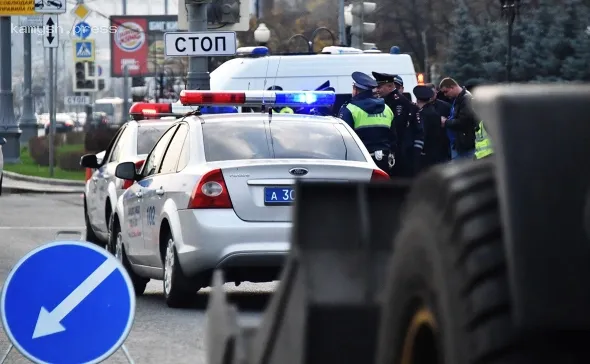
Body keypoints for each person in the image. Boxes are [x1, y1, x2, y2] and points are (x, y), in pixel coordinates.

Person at [338, 71, 395, 173]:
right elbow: (394, 137)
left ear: (356, 90)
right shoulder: (387, 109)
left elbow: (343, 140)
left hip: (360, 162)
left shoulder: (350, 109)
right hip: (384, 162)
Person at [372, 72, 417, 177]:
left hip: (399, 151)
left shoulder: (398, 102)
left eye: (379, 87)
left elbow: (398, 128)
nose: (377, 90)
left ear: (389, 86)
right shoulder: (386, 100)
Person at [438, 77, 478, 160]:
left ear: (452, 87)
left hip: (464, 145)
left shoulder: (466, 98)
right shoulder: (458, 98)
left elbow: (463, 121)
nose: (445, 95)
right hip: (458, 144)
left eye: (446, 91)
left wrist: (446, 122)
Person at [413, 85, 449, 169]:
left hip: (426, 153)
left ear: (418, 100)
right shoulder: (432, 111)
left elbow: (423, 133)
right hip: (435, 151)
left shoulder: (424, 114)